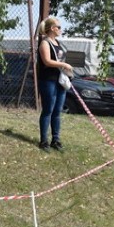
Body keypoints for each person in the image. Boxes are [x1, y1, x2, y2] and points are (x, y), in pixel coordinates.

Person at [36, 17, 74, 150]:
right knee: (48, 110)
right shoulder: (44, 43)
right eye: (59, 27)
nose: (61, 29)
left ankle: (56, 140)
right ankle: (44, 141)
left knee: (57, 111)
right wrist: (64, 64)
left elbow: (60, 61)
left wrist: (67, 71)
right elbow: (47, 61)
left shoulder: (58, 43)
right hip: (48, 81)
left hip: (60, 81)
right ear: (52, 28)